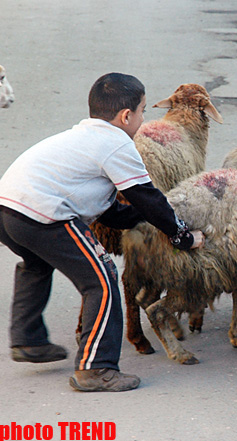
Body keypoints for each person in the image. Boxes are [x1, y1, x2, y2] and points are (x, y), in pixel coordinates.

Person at [0, 72, 204, 392]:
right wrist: (182, 235)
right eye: (143, 110)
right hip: (45, 214)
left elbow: (110, 208)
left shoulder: (83, 136)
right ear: (126, 116)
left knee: (37, 263)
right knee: (102, 282)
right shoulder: (116, 143)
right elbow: (146, 195)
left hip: (8, 209)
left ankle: (28, 340)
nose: (143, 118)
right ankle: (97, 369)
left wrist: (142, 220)